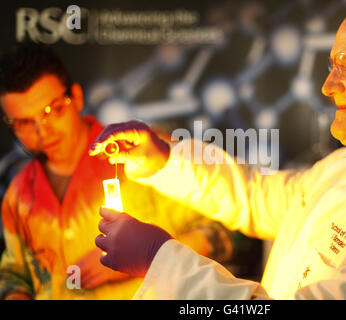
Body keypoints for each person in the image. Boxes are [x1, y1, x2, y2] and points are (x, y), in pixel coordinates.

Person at [90, 0, 346, 300]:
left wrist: (159, 259)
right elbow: (256, 196)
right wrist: (164, 161)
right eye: (331, 65)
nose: (328, 86)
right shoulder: (344, 165)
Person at [0, 44, 233, 300]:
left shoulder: (143, 154)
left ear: (76, 97)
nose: (42, 131)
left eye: (52, 110)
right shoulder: (18, 194)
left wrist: (147, 256)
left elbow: (224, 231)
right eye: (24, 122)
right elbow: (14, 276)